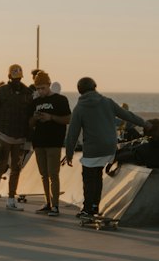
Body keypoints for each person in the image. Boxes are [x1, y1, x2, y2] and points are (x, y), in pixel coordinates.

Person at [64, 78, 147, 220]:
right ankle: (95, 206)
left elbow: (72, 133)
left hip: (93, 149)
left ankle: (88, 209)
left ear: (80, 91)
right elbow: (127, 115)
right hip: (109, 148)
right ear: (95, 87)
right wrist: (145, 123)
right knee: (97, 176)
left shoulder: (80, 108)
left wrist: (69, 153)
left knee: (90, 178)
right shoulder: (107, 102)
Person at [0, 64, 34, 210]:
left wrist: (27, 138)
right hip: (3, 137)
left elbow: (30, 116)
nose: (17, 81)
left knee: (16, 169)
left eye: (19, 78)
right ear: (9, 77)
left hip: (20, 139)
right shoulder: (0, 92)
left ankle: (11, 198)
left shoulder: (27, 92)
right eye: (15, 78)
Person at [29, 71, 70, 215]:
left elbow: (68, 119)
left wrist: (50, 117)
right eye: (38, 88)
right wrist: (35, 118)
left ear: (49, 85)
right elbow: (29, 124)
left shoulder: (60, 100)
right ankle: (48, 202)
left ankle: (55, 205)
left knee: (53, 174)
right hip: (39, 142)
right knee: (43, 174)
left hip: (54, 141)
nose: (40, 91)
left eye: (43, 88)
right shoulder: (35, 102)